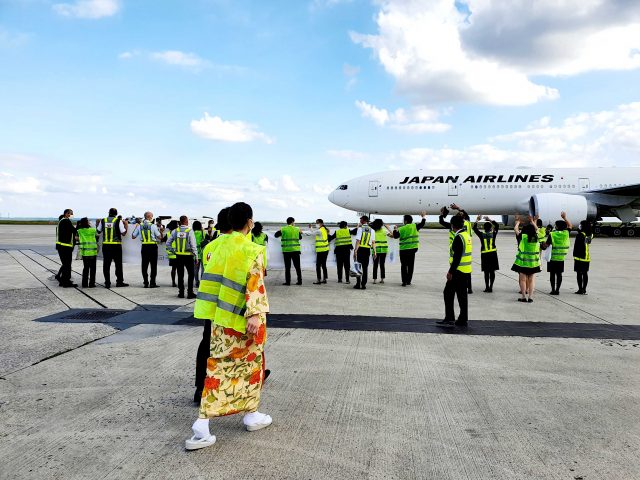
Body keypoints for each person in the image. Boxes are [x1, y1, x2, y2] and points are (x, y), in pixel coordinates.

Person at [187, 202, 271, 451]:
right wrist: (255, 314)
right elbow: (255, 283)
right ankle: (203, 425)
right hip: (244, 320)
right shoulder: (252, 248)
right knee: (249, 367)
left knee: (219, 367)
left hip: (218, 319)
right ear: (249, 222)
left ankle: (249, 412)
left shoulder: (211, 247)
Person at [436, 215, 472, 328]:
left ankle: (450, 318)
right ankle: (462, 318)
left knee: (448, 293)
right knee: (462, 296)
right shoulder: (467, 235)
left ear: (452, 225)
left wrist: (450, 272)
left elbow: (457, 257)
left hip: (457, 271)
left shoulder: (458, 237)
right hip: (466, 270)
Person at [440, 204, 473, 293]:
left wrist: (442, 214)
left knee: (456, 267)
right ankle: (469, 288)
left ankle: (455, 286)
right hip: (468, 245)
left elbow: (441, 222)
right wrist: (458, 208)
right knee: (467, 270)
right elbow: (467, 216)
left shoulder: (453, 226)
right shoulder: (468, 223)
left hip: (456, 245)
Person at [167, 215, 198, 299]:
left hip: (178, 256)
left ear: (180, 222)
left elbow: (168, 243)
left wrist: (173, 251)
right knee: (191, 274)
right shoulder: (189, 231)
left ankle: (181, 292)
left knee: (180, 274)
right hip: (188, 256)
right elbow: (193, 245)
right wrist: (196, 256)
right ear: (187, 221)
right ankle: (190, 293)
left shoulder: (175, 231)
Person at [511, 215, 541, 303]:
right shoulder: (536, 237)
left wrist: (518, 222)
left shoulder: (523, 237)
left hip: (523, 262)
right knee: (531, 280)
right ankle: (531, 297)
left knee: (523, 280)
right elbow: (537, 230)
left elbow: (515, 229)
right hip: (533, 263)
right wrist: (533, 222)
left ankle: (523, 296)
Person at [393, 212, 426, 286]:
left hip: (404, 250)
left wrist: (395, 229)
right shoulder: (415, 226)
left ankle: (404, 281)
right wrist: (423, 217)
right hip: (413, 249)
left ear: (406, 221)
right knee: (411, 265)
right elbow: (422, 224)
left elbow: (395, 236)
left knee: (404, 266)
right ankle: (408, 281)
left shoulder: (401, 228)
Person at [544, 212, 572, 295]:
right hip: (561, 258)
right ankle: (557, 290)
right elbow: (570, 226)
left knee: (552, 275)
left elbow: (547, 245)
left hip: (552, 258)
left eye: (555, 225)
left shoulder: (552, 234)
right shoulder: (566, 233)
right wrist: (565, 218)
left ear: (557, 226)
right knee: (559, 275)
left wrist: (542, 244)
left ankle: (553, 290)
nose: (555, 226)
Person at [131, 211, 161, 288]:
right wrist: (161, 230)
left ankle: (145, 282)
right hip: (153, 247)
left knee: (144, 265)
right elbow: (159, 237)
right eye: (152, 216)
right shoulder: (153, 226)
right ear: (149, 217)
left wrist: (136, 227)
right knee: (153, 266)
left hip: (144, 247)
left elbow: (133, 236)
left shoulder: (139, 226)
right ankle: (152, 283)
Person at [472, 215, 500, 293]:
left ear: (484, 228)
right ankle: (491, 287)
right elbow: (497, 225)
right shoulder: (493, 233)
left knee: (486, 272)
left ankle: (487, 287)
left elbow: (474, 228)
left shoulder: (481, 235)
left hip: (485, 255)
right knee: (492, 271)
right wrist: (489, 219)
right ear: (491, 228)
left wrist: (477, 220)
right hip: (493, 254)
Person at [274, 217, 302, 286]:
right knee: (297, 267)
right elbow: (300, 238)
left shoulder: (283, 229)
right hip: (295, 250)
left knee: (287, 267)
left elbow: (275, 235)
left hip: (286, 251)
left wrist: (279, 230)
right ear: (292, 222)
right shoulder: (297, 229)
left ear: (287, 222)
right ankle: (299, 281)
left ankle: (288, 282)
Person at [55, 209, 77, 288]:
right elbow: (73, 230)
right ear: (66, 214)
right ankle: (66, 282)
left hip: (62, 246)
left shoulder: (62, 221)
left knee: (65, 264)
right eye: (71, 214)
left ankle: (62, 280)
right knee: (67, 265)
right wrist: (80, 226)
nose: (72, 215)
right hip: (65, 247)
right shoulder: (66, 221)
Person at [353, 216, 375, 290]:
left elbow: (358, 241)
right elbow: (373, 242)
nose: (360, 220)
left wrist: (355, 250)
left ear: (364, 220)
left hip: (360, 249)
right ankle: (363, 285)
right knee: (365, 268)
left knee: (358, 267)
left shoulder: (360, 229)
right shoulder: (372, 230)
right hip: (367, 250)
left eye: (361, 219)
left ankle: (358, 284)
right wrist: (375, 252)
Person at [573, 220, 594, 295]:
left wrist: (579, 232)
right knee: (585, 273)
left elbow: (578, 244)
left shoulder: (580, 235)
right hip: (586, 257)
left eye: (580, 225)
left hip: (579, 257)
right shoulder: (590, 235)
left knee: (579, 274)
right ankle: (584, 289)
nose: (579, 226)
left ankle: (580, 289)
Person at [76, 217, 97, 288]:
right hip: (93, 252)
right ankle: (92, 284)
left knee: (86, 268)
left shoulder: (79, 231)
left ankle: (84, 284)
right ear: (87, 222)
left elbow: (76, 238)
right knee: (93, 269)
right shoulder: (93, 230)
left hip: (85, 252)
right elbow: (98, 235)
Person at [371, 219, 392, 284]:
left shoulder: (373, 231)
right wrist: (389, 228)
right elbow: (393, 236)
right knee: (382, 265)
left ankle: (374, 279)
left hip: (375, 250)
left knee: (375, 265)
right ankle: (382, 279)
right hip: (383, 250)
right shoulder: (384, 231)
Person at [311, 219, 330, 285]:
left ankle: (318, 280)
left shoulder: (319, 230)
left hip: (321, 250)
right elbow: (315, 232)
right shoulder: (324, 229)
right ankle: (325, 279)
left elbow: (312, 233)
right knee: (324, 265)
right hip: (326, 249)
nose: (316, 224)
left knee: (318, 265)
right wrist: (311, 228)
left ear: (321, 223)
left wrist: (302, 232)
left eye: (317, 223)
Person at [165, 220, 179, 287]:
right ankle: (179, 281)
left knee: (173, 269)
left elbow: (162, 240)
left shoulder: (168, 234)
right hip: (178, 253)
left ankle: (173, 282)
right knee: (180, 268)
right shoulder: (178, 232)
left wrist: (161, 232)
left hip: (171, 254)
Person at [192, 220, 204, 288]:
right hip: (202, 253)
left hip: (195, 254)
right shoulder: (203, 233)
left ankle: (197, 282)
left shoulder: (192, 233)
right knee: (203, 269)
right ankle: (202, 282)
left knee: (196, 269)